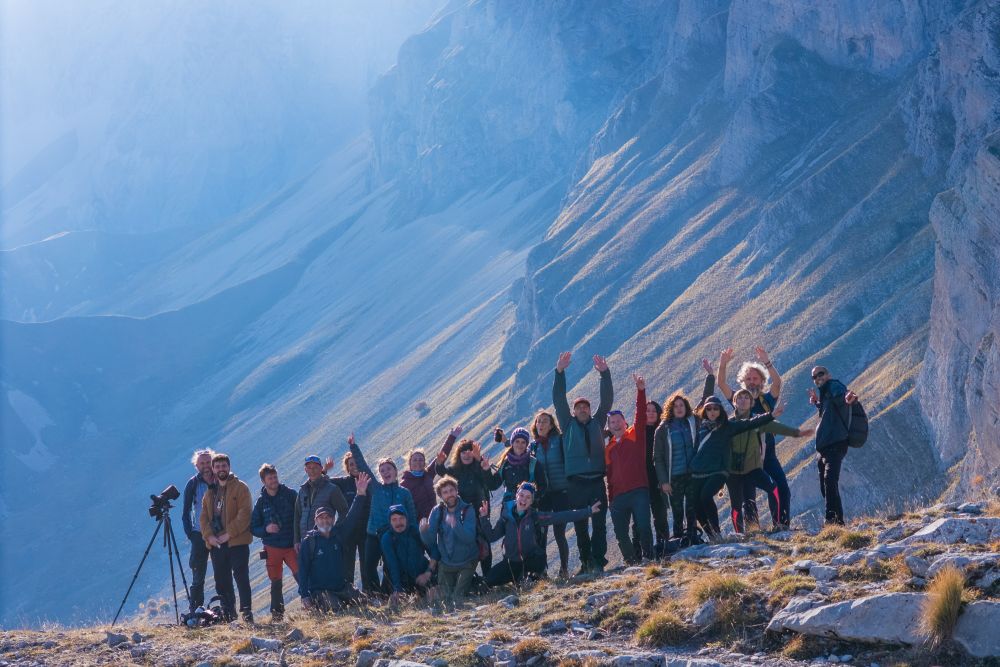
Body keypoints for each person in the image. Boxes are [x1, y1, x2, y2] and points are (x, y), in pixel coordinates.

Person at [552, 351, 614, 574]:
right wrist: (559, 372)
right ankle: (586, 561)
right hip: (576, 484)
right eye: (578, 407)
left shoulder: (598, 422)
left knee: (598, 524)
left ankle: (598, 560)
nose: (582, 409)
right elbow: (559, 400)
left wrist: (605, 374)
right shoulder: (567, 425)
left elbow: (607, 401)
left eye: (585, 407)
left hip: (597, 481)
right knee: (580, 525)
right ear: (574, 411)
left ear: (589, 410)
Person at [718, 347, 792, 528]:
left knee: (781, 487)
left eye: (755, 378)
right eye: (749, 378)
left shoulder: (767, 400)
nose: (752, 382)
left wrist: (767, 362)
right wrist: (723, 363)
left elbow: (777, 383)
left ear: (761, 381)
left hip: (768, 454)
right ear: (743, 381)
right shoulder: (739, 399)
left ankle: (781, 525)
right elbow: (721, 384)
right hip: (745, 457)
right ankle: (753, 532)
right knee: (747, 498)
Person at [689, 398, 777, 540]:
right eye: (709, 409)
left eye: (715, 408)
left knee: (705, 496)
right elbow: (696, 448)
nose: (712, 411)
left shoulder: (727, 426)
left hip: (719, 471)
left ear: (721, 410)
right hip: (698, 471)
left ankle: (716, 532)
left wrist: (771, 415)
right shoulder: (701, 427)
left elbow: (749, 423)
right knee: (696, 503)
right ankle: (712, 536)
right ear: (705, 411)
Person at [480, 482, 600, 586]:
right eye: (521, 495)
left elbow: (561, 516)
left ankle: (529, 577)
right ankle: (519, 578)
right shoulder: (506, 517)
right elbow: (492, 536)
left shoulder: (535, 516)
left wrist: (588, 511)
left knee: (539, 561)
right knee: (489, 580)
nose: (523, 500)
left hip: (531, 561)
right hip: (511, 561)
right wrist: (484, 518)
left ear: (532, 501)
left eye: (528, 497)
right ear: (516, 495)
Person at [725, 390, 812, 533]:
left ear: (752, 402)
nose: (743, 400)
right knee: (737, 506)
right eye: (739, 397)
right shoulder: (728, 424)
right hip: (733, 472)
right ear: (734, 402)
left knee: (774, 489)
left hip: (752, 469)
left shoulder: (758, 420)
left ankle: (778, 526)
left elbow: (777, 427)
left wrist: (798, 433)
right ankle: (741, 535)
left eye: (746, 397)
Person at [653, 361, 715, 544]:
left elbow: (705, 400)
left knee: (692, 508)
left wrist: (710, 376)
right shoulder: (663, 430)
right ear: (670, 409)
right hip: (674, 476)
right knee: (677, 509)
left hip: (692, 474)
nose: (679, 408)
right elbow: (658, 457)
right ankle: (679, 539)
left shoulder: (693, 421)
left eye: (682, 405)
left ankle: (692, 536)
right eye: (676, 406)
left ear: (686, 407)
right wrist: (664, 481)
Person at [348, 433, 417, 594]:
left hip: (395, 535)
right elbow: (363, 467)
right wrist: (353, 446)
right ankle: (373, 595)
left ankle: (390, 594)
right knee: (369, 565)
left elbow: (411, 515)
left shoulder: (404, 493)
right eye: (382, 470)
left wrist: (413, 535)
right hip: (373, 534)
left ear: (395, 471)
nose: (386, 472)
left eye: (389, 469)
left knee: (390, 565)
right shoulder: (376, 488)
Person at [298, 473, 372, 613]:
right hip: (322, 591)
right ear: (316, 521)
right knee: (335, 608)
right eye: (321, 518)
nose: (325, 521)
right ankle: (319, 606)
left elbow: (352, 516)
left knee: (363, 602)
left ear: (333, 520)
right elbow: (303, 570)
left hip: (342, 588)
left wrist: (360, 494)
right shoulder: (309, 542)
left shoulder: (339, 535)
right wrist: (304, 595)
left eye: (328, 517)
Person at [200, 453, 254, 622]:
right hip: (217, 545)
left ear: (229, 467)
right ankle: (228, 613)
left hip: (237, 541)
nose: (221, 469)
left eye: (224, 466)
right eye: (218, 466)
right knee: (221, 580)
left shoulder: (241, 487)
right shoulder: (210, 493)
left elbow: (245, 513)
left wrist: (228, 534)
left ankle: (246, 612)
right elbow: (203, 517)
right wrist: (209, 537)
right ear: (213, 469)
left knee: (241, 577)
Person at [605, 374, 652, 564]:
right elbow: (609, 476)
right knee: (621, 534)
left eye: (618, 421)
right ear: (609, 427)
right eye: (612, 422)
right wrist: (611, 499)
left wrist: (641, 391)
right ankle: (631, 562)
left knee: (643, 526)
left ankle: (650, 558)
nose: (616, 424)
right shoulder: (608, 448)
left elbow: (640, 414)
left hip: (639, 490)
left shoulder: (635, 435)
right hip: (618, 497)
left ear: (625, 423)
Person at [420, 476, 480, 610]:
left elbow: (469, 538)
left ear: (457, 491)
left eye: (451, 490)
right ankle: (470, 585)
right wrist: (424, 532)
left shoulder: (467, 510)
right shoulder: (437, 511)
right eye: (445, 492)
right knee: (445, 598)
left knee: (457, 598)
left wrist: (456, 525)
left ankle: (473, 584)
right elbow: (430, 541)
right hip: (447, 562)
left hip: (467, 560)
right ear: (441, 496)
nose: (449, 494)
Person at [808, 366, 858, 525]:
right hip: (825, 446)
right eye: (814, 377)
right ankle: (838, 521)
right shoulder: (825, 393)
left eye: (820, 374)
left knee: (829, 480)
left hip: (836, 443)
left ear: (828, 375)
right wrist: (817, 403)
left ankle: (831, 521)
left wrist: (849, 398)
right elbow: (830, 410)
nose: (817, 378)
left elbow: (843, 396)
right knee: (827, 485)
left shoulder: (834, 385)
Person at [250, 463, 299, 621]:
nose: (274, 480)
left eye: (275, 477)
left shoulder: (290, 494)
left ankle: (313, 604)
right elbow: (253, 527)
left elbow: (301, 514)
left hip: (292, 545)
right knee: (275, 581)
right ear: (263, 481)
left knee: (301, 575)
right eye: (270, 478)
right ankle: (277, 615)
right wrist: (266, 529)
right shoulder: (260, 503)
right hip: (272, 548)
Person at [439, 438, 494, 577]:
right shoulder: (454, 470)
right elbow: (441, 471)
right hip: (461, 514)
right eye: (463, 451)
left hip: (481, 512)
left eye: (470, 451)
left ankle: (487, 578)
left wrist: (481, 461)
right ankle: (470, 579)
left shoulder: (480, 466)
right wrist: (439, 463)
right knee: (465, 545)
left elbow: (491, 483)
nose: (467, 454)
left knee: (484, 545)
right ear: (459, 454)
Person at [530, 410, 572, 578]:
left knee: (559, 532)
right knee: (541, 533)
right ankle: (542, 571)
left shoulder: (559, 441)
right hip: (543, 495)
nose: (541, 425)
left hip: (561, 492)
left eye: (545, 421)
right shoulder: (533, 446)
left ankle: (564, 570)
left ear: (551, 425)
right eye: (538, 422)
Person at [325, 452, 368, 587]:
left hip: (366, 530)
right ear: (347, 468)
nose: (354, 466)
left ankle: (371, 592)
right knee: (347, 564)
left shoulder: (369, 480)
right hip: (347, 530)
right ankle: (347, 594)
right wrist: (325, 470)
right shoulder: (343, 483)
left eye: (356, 463)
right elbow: (322, 482)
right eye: (351, 464)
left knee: (366, 563)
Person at [380, 504, 437, 607]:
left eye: (401, 518)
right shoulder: (387, 538)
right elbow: (393, 565)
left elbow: (434, 552)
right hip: (401, 580)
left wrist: (428, 573)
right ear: (390, 521)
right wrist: (397, 588)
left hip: (422, 576)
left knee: (435, 595)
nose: (398, 523)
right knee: (396, 603)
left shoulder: (416, 531)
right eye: (394, 519)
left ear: (407, 518)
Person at [402, 426, 461, 521]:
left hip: (437, 518)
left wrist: (452, 436)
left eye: (421, 460)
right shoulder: (404, 484)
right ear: (409, 463)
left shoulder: (428, 474)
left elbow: (442, 456)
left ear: (424, 463)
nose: (418, 462)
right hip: (420, 524)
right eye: (415, 460)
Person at [182, 449, 215, 611]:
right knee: (198, 575)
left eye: (208, 462)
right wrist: (191, 535)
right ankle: (196, 610)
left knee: (222, 573)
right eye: (202, 463)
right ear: (196, 465)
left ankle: (226, 610)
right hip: (199, 535)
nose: (206, 466)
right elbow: (186, 512)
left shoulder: (221, 480)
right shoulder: (192, 484)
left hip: (219, 534)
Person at [293, 455, 348, 553]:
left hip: (325, 540)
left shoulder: (332, 489)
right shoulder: (302, 491)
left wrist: (335, 530)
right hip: (305, 542)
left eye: (315, 467)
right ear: (305, 470)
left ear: (321, 468)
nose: (312, 470)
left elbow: (344, 511)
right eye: (309, 468)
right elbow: (297, 516)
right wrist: (296, 540)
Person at [639, 399, 669, 557]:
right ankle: (644, 554)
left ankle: (664, 549)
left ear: (659, 413)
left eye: (653, 410)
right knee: (640, 520)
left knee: (660, 516)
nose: (650, 413)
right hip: (641, 481)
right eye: (647, 410)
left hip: (659, 480)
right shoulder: (637, 432)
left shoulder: (663, 430)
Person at [488, 427, 547, 504]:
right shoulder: (505, 463)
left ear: (527, 444)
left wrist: (532, 499)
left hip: (528, 507)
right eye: (517, 441)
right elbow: (493, 485)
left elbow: (543, 486)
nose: (520, 445)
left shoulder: (534, 463)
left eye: (523, 442)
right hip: (508, 506)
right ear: (512, 443)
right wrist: (486, 470)